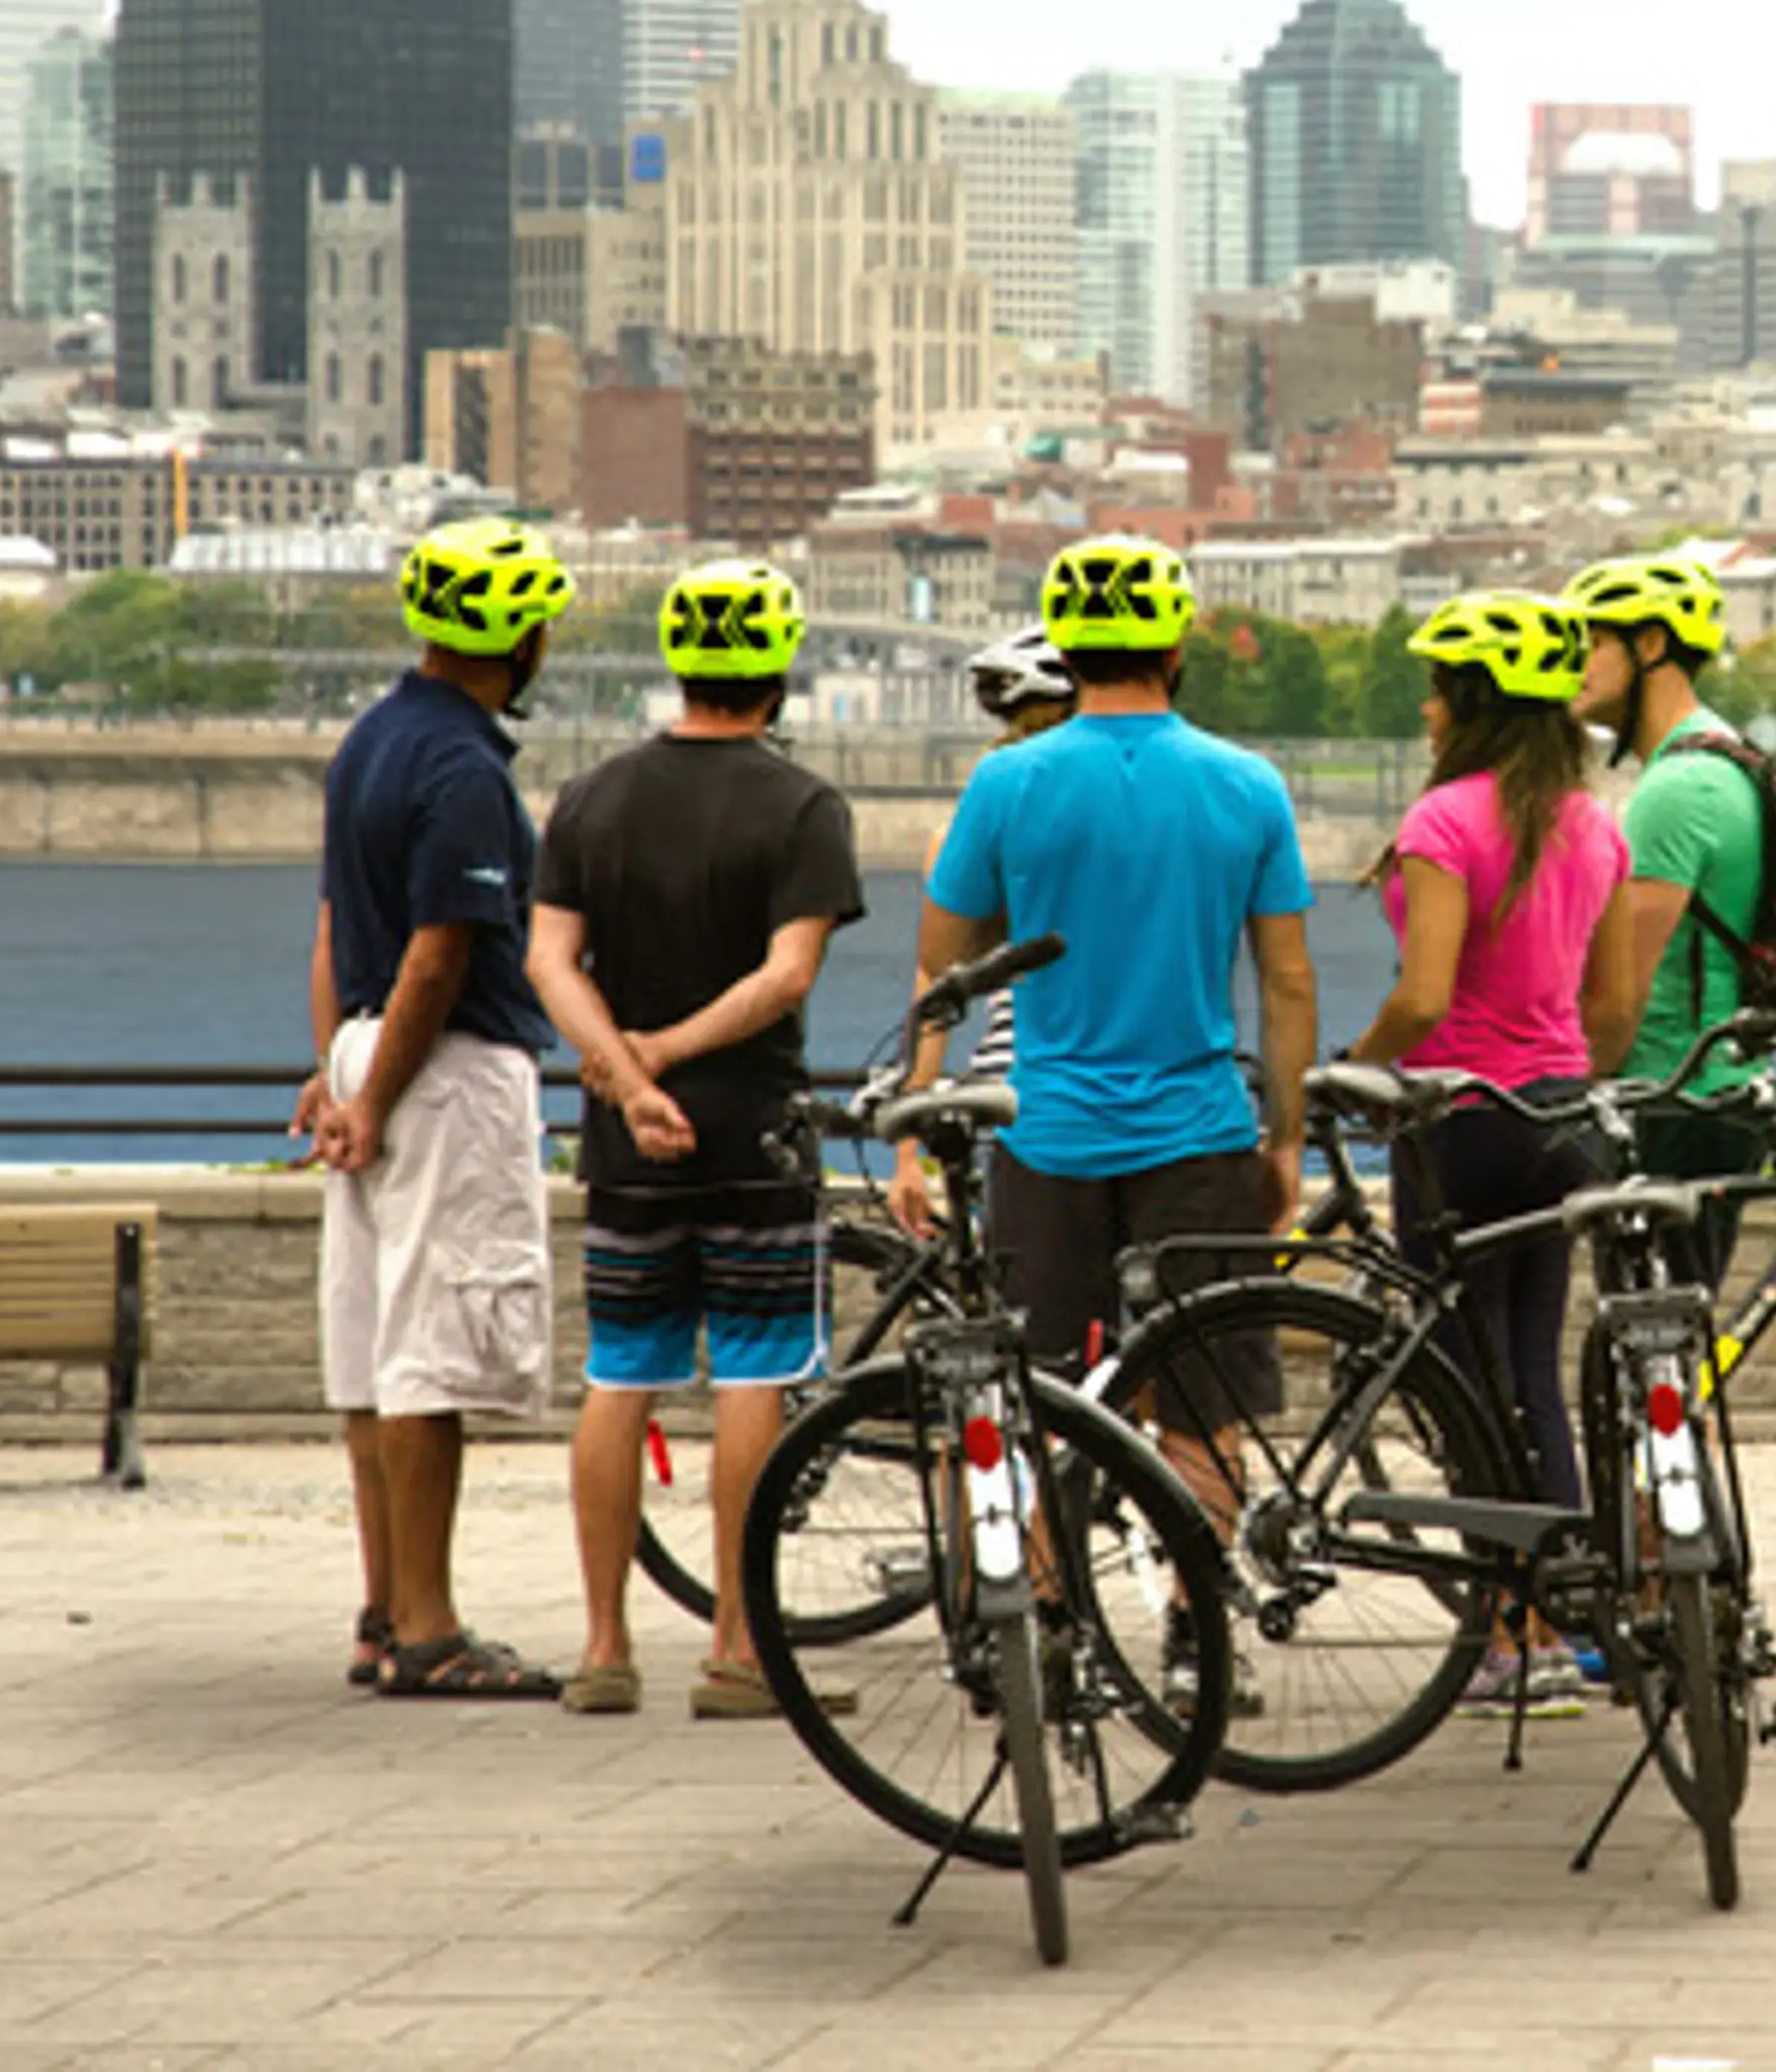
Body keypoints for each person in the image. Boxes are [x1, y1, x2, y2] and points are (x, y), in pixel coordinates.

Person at [911, 535, 1315, 1700]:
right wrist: (1280, 1138)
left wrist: (913, 1114)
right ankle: (1198, 1638)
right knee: (1203, 1403)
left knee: (1031, 1393)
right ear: (1176, 645)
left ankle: (1036, 1622)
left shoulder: (1009, 783)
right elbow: (1287, 983)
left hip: (1045, 1136)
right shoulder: (1247, 784)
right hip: (1199, 1130)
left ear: (1069, 649)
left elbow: (947, 966)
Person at [529, 558, 868, 1720]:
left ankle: (605, 1648)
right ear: (778, 673)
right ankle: (738, 1648)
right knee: (756, 1378)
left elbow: (547, 964)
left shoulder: (591, 798)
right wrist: (668, 1058)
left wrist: (625, 1079)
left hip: (627, 1145)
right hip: (753, 1134)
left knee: (620, 1377)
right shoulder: (804, 807)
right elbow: (787, 978)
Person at [296, 515, 575, 1701]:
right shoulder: (463, 768)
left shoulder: (372, 739)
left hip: (367, 1052)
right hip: (443, 1070)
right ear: (514, 635)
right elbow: (439, 956)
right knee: (426, 1354)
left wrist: (336, 1072)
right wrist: (385, 1092)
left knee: (369, 1350)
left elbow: (330, 932)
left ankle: (379, 1610)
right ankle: (430, 1629)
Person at [1344, 589, 1631, 1714]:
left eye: (1435, 689)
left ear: (1469, 703)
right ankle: (1555, 1623)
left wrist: (1357, 1070)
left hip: (1456, 1124)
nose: (1422, 707)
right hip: (1558, 1120)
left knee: (1465, 1386)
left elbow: (1424, 994)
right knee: (1535, 1382)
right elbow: (1610, 1010)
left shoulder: (1443, 825)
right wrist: (1558, 1076)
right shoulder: (1593, 823)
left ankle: (1504, 1642)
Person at [1566, 554, 1772, 1283]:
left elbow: (1623, 991)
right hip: (1720, 1086)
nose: (1572, 664)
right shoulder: (1728, 753)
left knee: (1651, 1343)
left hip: (1672, 1096)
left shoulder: (1676, 789)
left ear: (1650, 645)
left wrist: (1562, 1093)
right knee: (1674, 1338)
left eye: (1590, 642)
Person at [885, 628, 1075, 1174]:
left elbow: (935, 987)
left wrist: (905, 1147)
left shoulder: (967, 830)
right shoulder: (1141, 818)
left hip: (1008, 1091)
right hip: (1137, 1097)